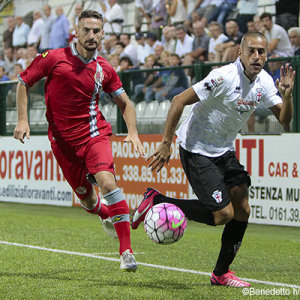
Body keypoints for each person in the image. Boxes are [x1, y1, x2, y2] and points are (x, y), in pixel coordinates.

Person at [132, 31, 295, 286]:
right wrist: (166, 142)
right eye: (250, 50)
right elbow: (178, 101)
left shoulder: (264, 81)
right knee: (222, 215)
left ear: (267, 55)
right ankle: (157, 200)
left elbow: (284, 120)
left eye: (261, 52)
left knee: (242, 209)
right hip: (196, 148)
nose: (256, 56)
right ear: (239, 53)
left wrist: (287, 96)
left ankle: (221, 274)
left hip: (224, 150)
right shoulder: (223, 77)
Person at [13, 10, 144, 272]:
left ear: (103, 33)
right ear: (77, 30)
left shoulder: (105, 69)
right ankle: (106, 215)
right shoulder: (53, 58)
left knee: (107, 182)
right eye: (87, 30)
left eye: (97, 30)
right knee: (88, 201)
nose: (92, 35)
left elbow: (125, 103)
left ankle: (126, 251)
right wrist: (22, 120)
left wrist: (132, 132)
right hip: (62, 143)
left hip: (95, 135)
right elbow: (23, 81)